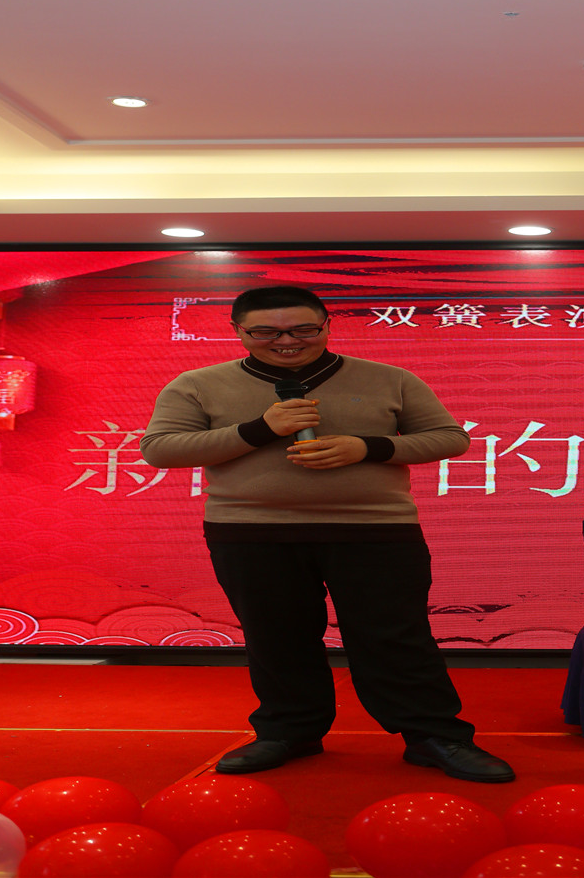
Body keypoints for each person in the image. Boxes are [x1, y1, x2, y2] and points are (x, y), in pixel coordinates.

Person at [141, 286, 514, 782]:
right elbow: (161, 449)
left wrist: (368, 448)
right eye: (266, 332)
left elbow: (450, 438)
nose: (286, 341)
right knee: (276, 637)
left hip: (374, 528)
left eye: (303, 329)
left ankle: (435, 736)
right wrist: (260, 429)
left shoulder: (390, 379)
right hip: (250, 531)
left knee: (395, 637)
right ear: (239, 331)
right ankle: (289, 731)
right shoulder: (197, 384)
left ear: (327, 325)